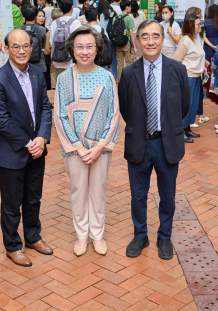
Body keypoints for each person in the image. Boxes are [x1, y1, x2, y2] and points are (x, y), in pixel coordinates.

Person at [118, 19, 190, 260]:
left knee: (167, 194)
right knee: (138, 194)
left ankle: (164, 236)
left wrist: (167, 128)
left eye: (155, 36)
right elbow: (126, 110)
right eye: (145, 36)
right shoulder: (128, 73)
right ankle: (141, 235)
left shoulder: (177, 70)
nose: (150, 41)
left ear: (162, 39)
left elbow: (183, 107)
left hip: (167, 142)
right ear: (137, 41)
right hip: (138, 142)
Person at [0, 29, 53, 267]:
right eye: (16, 46)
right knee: (12, 202)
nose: (21, 50)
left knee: (33, 198)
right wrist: (29, 143)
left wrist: (43, 138)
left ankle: (33, 236)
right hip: (13, 151)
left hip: (38, 149)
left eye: (26, 45)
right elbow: (2, 121)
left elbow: (45, 107)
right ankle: (13, 246)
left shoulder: (37, 73)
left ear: (32, 48)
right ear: (6, 49)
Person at [54, 27, 119, 256]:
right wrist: (79, 148)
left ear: (97, 49)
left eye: (89, 46)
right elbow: (60, 116)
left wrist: (100, 146)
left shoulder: (106, 76)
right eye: (79, 46)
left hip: (101, 148)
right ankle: (82, 236)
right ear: (71, 49)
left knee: (98, 191)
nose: (84, 51)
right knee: (78, 191)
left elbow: (114, 114)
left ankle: (97, 235)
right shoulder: (63, 79)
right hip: (75, 150)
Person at [173, 14, 207, 143]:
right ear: (190, 25)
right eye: (198, 24)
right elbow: (177, 60)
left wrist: (204, 63)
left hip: (197, 76)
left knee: (193, 105)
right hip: (188, 77)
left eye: (200, 23)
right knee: (185, 105)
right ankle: (180, 130)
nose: (200, 26)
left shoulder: (197, 38)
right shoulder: (185, 40)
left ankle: (187, 128)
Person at [49, 0, 82, 79]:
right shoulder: (76, 22)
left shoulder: (55, 23)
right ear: (72, 7)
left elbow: (51, 42)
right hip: (71, 61)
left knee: (61, 86)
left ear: (60, 8)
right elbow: (79, 42)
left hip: (57, 60)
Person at [113, 0, 137, 81]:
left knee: (120, 64)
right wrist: (134, 46)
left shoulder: (115, 18)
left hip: (118, 43)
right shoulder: (129, 18)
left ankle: (119, 82)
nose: (130, 8)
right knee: (129, 63)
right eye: (130, 7)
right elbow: (131, 34)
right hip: (127, 43)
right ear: (126, 7)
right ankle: (130, 81)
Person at [20, 5, 47, 73]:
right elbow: (44, 45)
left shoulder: (19, 30)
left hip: (23, 64)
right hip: (39, 65)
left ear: (24, 17)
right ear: (35, 17)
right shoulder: (41, 29)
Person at [98, 0, 118, 79]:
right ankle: (115, 77)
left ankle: (105, 77)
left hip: (105, 39)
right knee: (113, 58)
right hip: (113, 38)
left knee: (105, 57)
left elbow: (102, 27)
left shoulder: (102, 15)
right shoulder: (114, 13)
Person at [48, 8, 63, 89]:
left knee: (56, 85)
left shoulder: (51, 30)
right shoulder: (68, 27)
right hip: (68, 59)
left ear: (52, 19)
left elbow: (49, 47)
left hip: (55, 60)